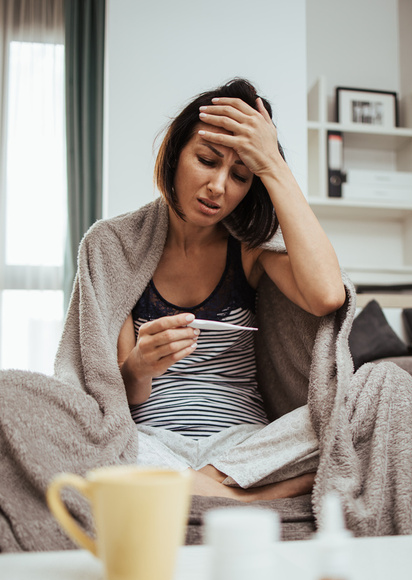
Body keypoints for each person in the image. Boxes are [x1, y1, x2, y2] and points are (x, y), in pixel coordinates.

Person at [116, 78, 346, 502]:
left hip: (244, 447)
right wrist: (141, 364)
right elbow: (120, 395)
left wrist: (273, 165)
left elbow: (327, 296)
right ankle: (244, 497)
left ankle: (194, 487)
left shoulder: (250, 251)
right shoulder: (119, 250)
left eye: (240, 175)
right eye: (206, 160)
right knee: (67, 424)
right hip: (150, 440)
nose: (219, 187)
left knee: (360, 403)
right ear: (174, 154)